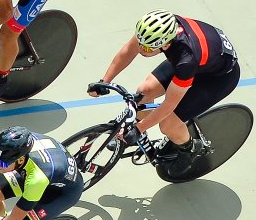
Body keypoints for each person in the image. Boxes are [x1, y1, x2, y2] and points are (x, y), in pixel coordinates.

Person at [89, 9, 240, 177]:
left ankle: (189, 149)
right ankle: (133, 134)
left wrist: (139, 129)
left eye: (147, 47)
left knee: (168, 123)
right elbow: (128, 50)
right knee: (144, 91)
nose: (141, 49)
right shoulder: (156, 29)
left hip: (217, 78)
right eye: (140, 42)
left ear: (166, 45)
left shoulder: (186, 60)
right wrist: (104, 81)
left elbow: (169, 104)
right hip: (203, 56)